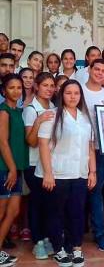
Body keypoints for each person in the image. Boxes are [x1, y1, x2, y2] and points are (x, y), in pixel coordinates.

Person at [37, 79, 96, 267]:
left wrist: (92, 171)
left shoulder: (85, 117)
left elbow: (90, 146)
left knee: (77, 212)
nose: (73, 96)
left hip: (79, 173)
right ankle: (59, 249)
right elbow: (43, 144)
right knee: (56, 213)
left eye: (76, 93)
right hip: (57, 174)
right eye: (68, 93)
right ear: (61, 95)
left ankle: (76, 248)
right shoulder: (52, 115)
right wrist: (48, 173)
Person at [82, 59, 104, 251]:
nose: (100, 73)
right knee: (77, 191)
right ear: (89, 69)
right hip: (78, 150)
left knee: (96, 193)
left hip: (100, 150)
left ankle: (99, 235)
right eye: (97, 69)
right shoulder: (77, 91)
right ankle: (73, 232)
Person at [23, 72, 55, 260]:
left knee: (47, 204)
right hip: (33, 164)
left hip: (47, 164)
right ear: (36, 86)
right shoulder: (31, 109)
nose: (49, 89)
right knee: (36, 203)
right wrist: (38, 122)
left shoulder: (52, 106)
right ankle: (38, 241)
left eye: (52, 85)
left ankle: (45, 237)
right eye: (45, 85)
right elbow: (31, 141)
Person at [0, 74, 29, 267]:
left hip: (16, 169)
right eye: (12, 88)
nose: (16, 91)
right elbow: (2, 142)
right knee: (2, 211)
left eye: (19, 87)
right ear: (4, 91)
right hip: (5, 168)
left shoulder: (18, 111)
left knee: (14, 210)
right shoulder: (3, 112)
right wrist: (11, 169)